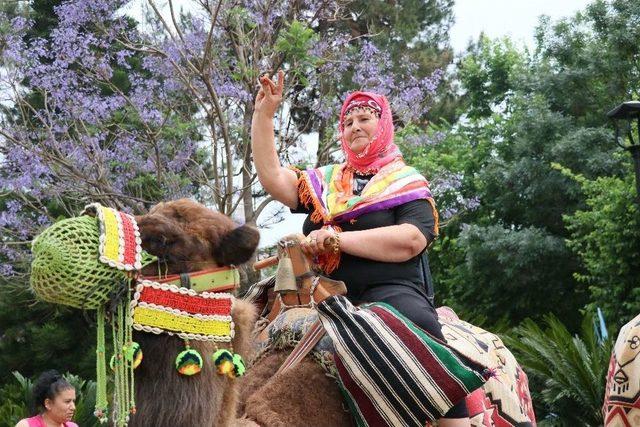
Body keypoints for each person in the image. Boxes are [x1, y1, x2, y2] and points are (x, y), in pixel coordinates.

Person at [251, 70, 470, 425]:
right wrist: (265, 115)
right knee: (251, 327)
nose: (354, 126)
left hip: (390, 292)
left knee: (420, 328)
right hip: (323, 294)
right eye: (347, 121)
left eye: (364, 118)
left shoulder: (407, 182)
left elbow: (411, 240)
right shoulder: (325, 182)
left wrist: (336, 239)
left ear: (382, 125)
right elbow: (274, 178)